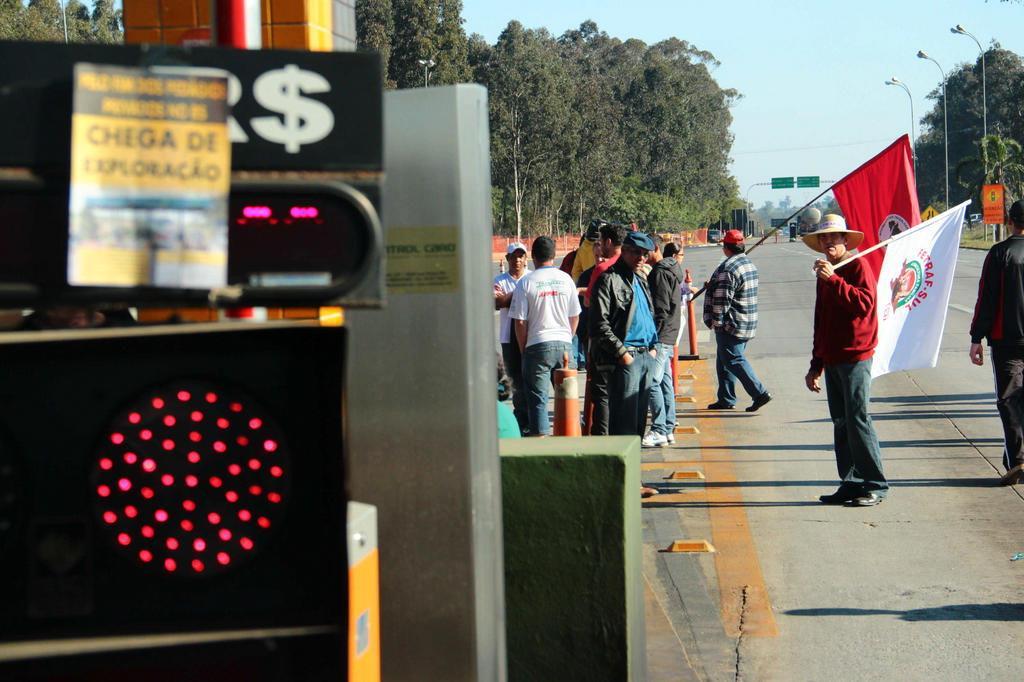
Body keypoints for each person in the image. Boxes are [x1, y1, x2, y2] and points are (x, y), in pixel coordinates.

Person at [803, 214, 887, 507]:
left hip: (856, 356)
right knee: (841, 422)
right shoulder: (826, 273)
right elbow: (821, 321)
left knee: (858, 420)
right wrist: (816, 364)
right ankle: (850, 482)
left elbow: (865, 304)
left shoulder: (857, 266)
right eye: (823, 238)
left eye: (833, 237)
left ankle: (875, 483)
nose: (828, 242)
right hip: (834, 358)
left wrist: (835, 280)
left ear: (845, 241)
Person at [969, 199, 1024, 485]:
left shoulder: (1000, 253)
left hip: (1008, 339)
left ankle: (1018, 460)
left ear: (1009, 222)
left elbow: (986, 299)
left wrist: (976, 337)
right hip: (1009, 338)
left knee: (1009, 399)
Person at [509, 236, 581, 436]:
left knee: (538, 401)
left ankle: (541, 439)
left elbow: (520, 322)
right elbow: (575, 316)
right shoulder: (566, 279)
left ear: (532, 256)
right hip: (564, 344)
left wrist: (524, 348)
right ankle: (571, 440)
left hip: (537, 345)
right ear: (553, 255)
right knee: (568, 400)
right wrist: (567, 337)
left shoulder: (526, 283)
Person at [591, 230, 659, 438]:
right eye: (636, 253)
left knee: (638, 424)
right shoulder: (609, 279)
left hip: (646, 355)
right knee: (624, 425)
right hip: (627, 357)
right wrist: (623, 354)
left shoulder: (640, 278)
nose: (641, 258)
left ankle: (634, 466)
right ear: (625, 252)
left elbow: (648, 314)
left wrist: (653, 348)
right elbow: (599, 324)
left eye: (645, 254)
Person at [703, 230, 771, 412]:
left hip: (731, 324)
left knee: (733, 360)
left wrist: (716, 322)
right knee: (724, 360)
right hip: (746, 321)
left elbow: (722, 301)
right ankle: (726, 398)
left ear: (726, 247)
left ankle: (759, 393)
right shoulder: (747, 263)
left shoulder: (728, 269)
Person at [584, 222, 627, 435]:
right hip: (629, 342)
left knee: (601, 393)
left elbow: (589, 304)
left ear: (608, 242)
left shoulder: (603, 269)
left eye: (602, 242)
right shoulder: (633, 266)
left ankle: (602, 437)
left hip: (605, 342)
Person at [642, 240, 685, 447]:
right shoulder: (673, 269)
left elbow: (661, 308)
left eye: (645, 251)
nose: (642, 255)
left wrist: (653, 338)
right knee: (665, 381)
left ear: (656, 250)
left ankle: (659, 428)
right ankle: (668, 427)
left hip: (661, 334)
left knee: (652, 381)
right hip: (670, 332)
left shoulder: (658, 273)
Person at [494, 242, 530, 434]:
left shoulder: (532, 276)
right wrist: (522, 292)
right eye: (513, 256)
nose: (517, 259)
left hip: (529, 335)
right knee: (517, 381)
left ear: (526, 258)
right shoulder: (500, 279)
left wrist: (510, 296)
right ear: (507, 259)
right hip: (509, 338)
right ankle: (521, 420)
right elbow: (497, 301)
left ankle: (533, 419)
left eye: (521, 256)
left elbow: (504, 299)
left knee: (531, 379)